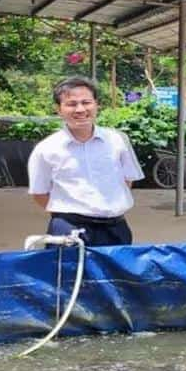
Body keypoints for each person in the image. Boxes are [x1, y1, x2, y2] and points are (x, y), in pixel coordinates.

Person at [27, 76, 144, 246]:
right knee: (69, 273)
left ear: (97, 105)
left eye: (86, 102)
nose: (80, 109)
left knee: (114, 273)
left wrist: (107, 206)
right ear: (58, 109)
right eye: (72, 104)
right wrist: (73, 212)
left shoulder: (117, 140)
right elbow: (39, 193)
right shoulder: (46, 149)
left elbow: (127, 180)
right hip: (68, 231)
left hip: (115, 229)